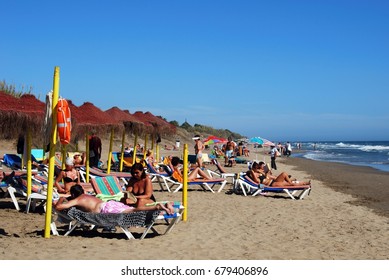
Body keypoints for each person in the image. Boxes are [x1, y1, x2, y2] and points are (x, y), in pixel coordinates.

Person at [54, 184, 174, 214]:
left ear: (74, 195)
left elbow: (58, 207)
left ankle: (158, 207)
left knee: (133, 211)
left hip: (105, 208)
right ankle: (161, 205)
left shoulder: (77, 200)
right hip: (110, 203)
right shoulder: (87, 195)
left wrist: (62, 199)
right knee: (133, 209)